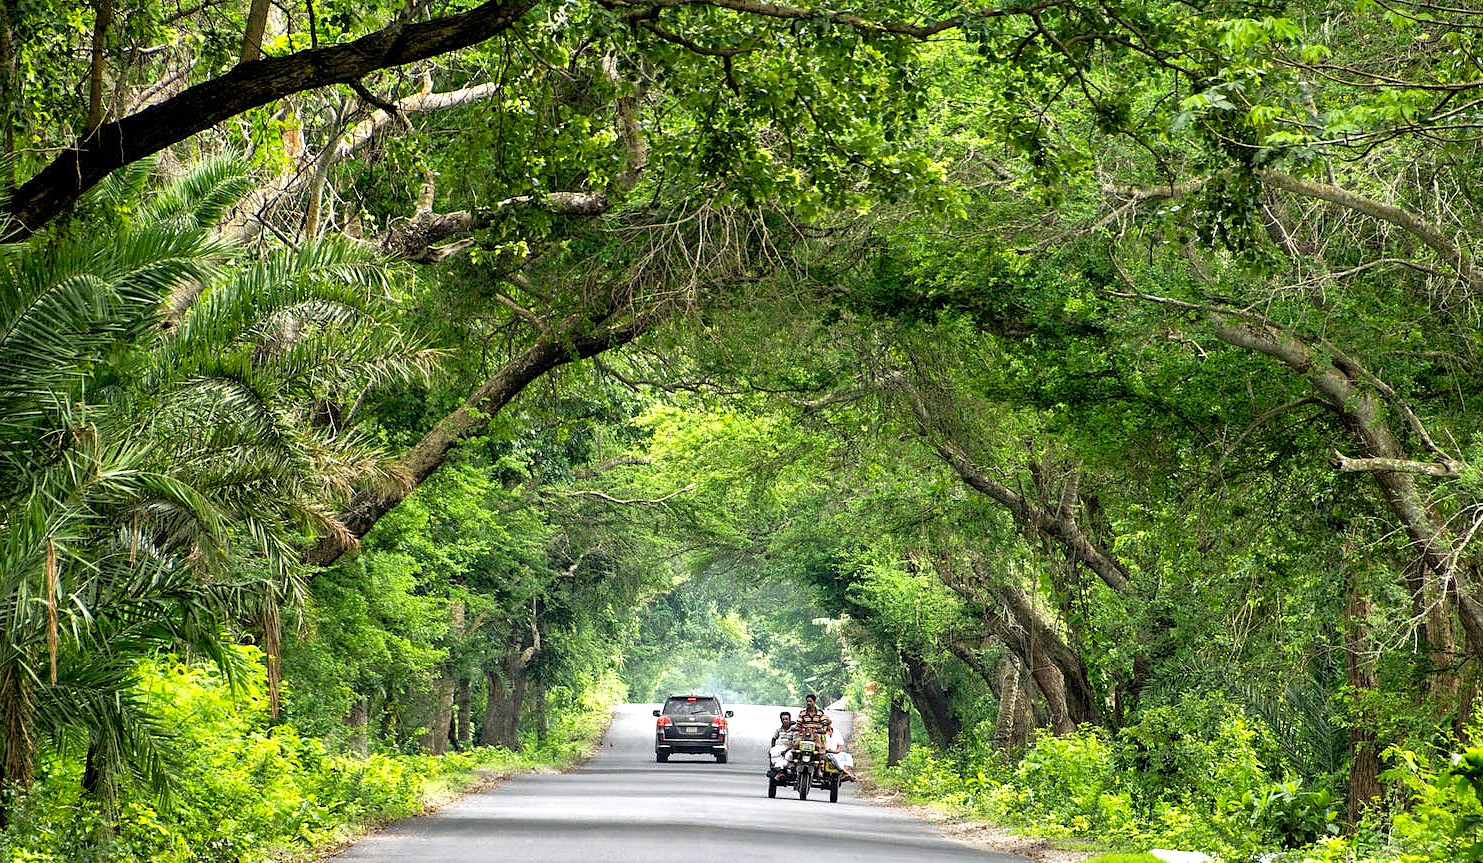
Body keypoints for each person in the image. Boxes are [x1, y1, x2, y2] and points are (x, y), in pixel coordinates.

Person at [822, 716, 857, 781]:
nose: (825, 727)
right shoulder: (821, 733)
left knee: (848, 756)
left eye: (826, 725)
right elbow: (822, 746)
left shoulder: (836, 731)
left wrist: (837, 751)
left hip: (835, 753)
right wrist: (829, 751)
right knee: (833, 758)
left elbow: (840, 744)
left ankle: (843, 773)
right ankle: (848, 773)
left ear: (830, 724)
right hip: (826, 754)